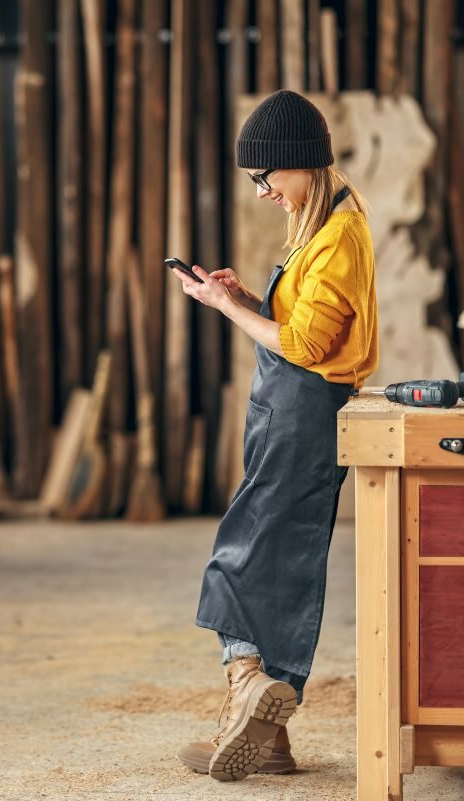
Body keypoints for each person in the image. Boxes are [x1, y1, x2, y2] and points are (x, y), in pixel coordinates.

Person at [168, 89, 379, 782]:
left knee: (242, 551)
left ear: (298, 164)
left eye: (266, 178)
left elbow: (306, 345)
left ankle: (247, 677)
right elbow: (305, 323)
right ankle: (273, 735)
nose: (262, 192)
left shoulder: (340, 233)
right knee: (284, 562)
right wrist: (248, 298)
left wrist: (229, 309)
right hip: (295, 410)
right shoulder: (326, 228)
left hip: (301, 411)